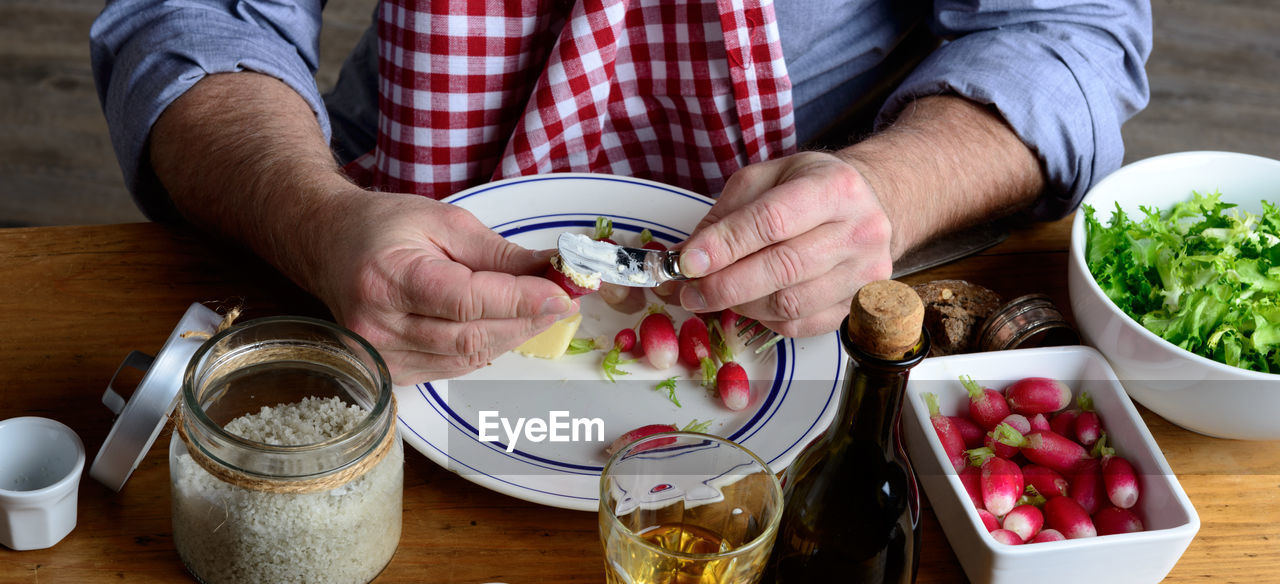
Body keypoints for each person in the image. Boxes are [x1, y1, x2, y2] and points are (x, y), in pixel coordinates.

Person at [90, 1, 1151, 384]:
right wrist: (311, 216)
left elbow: (1073, 33)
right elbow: (183, 20)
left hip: (824, 305)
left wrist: (888, 185)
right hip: (367, 276)